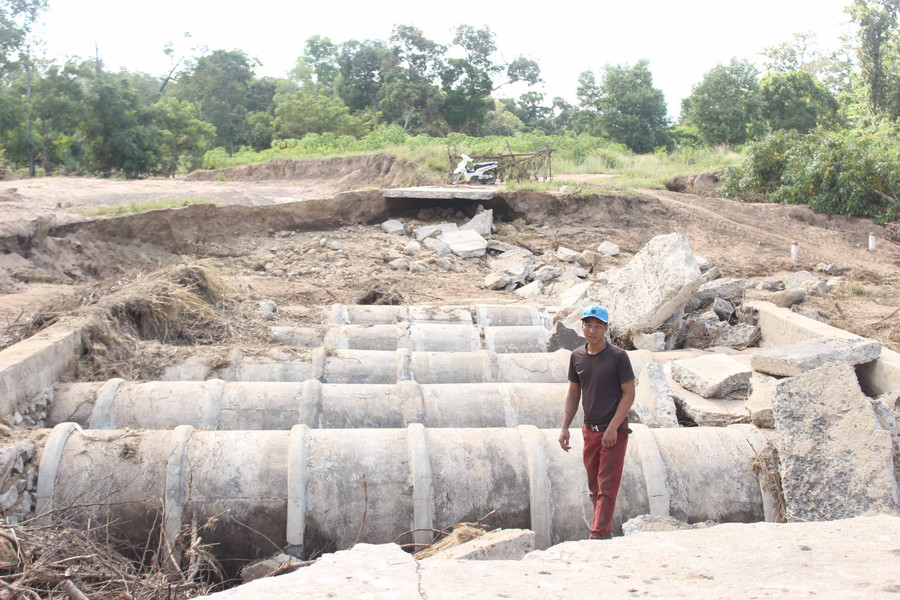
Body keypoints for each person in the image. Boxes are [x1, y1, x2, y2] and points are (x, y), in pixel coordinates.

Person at [558, 304, 636, 540]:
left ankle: (597, 535)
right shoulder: (577, 357)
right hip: (589, 430)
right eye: (588, 325)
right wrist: (565, 427)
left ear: (606, 328)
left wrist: (613, 427)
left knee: (607, 486)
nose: (592, 330)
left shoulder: (618, 357)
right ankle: (604, 531)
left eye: (598, 326)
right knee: (594, 486)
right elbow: (574, 393)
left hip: (613, 431)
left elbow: (629, 394)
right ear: (582, 327)